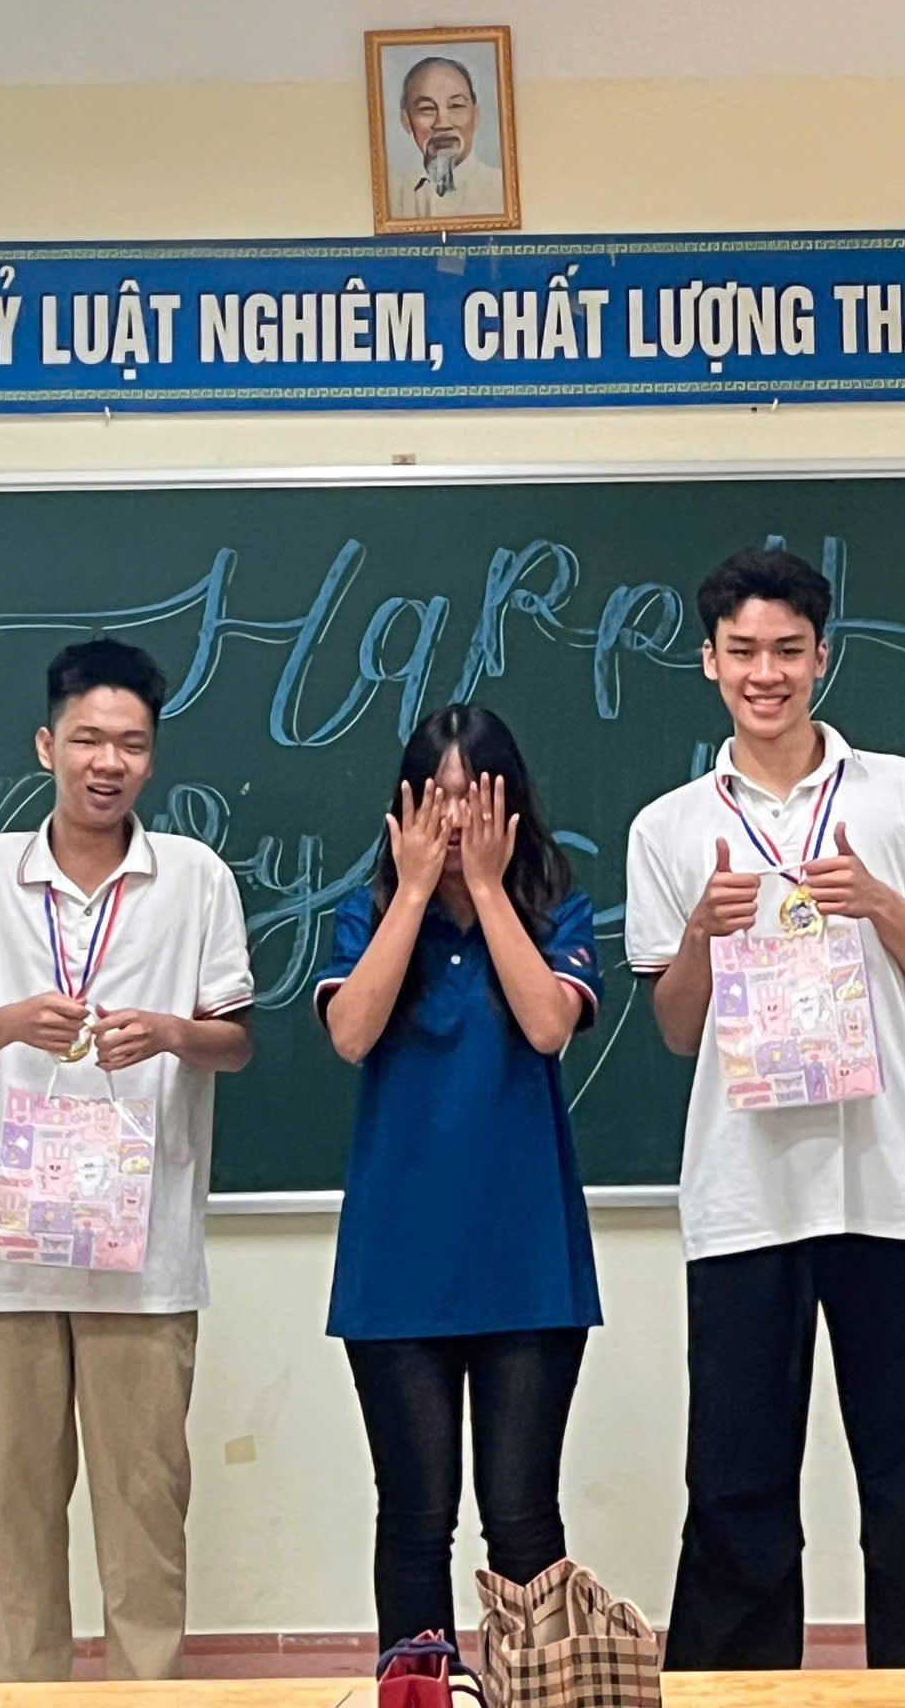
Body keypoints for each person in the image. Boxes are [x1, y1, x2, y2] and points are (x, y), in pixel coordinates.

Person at [624, 548, 905, 1674]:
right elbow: (675, 1028)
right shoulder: (669, 827)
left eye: (788, 650)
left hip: (891, 1190)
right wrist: (701, 934)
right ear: (708, 661)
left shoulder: (903, 794)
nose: (766, 673)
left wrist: (878, 902)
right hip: (745, 1198)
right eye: (743, 651)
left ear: (821, 658)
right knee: (735, 1492)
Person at [0, 635, 254, 1685]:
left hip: (143, 1260)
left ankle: (146, 1698)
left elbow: (236, 1042)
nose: (109, 762)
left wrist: (172, 1033)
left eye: (132, 744)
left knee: (146, 1517)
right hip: (7, 1259)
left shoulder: (194, 879)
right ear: (46, 744)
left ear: (153, 756)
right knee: (19, 1520)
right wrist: (11, 1020)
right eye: (89, 739)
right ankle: (26, 1696)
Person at [315, 704, 602, 1646]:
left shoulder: (556, 909)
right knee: (414, 1518)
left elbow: (548, 1026)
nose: (453, 819)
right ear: (402, 807)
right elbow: (351, 1034)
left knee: (523, 1518)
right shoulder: (367, 913)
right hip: (398, 1266)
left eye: (472, 796)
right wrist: (411, 895)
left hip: (528, 1264)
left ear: (508, 804)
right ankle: (422, 1696)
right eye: (434, 799)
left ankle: (534, 1692)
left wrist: (485, 888)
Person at [388, 53, 506, 221]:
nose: (442, 124)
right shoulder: (391, 196)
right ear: (406, 120)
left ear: (476, 115)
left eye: (456, 105)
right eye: (427, 108)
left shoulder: (503, 188)